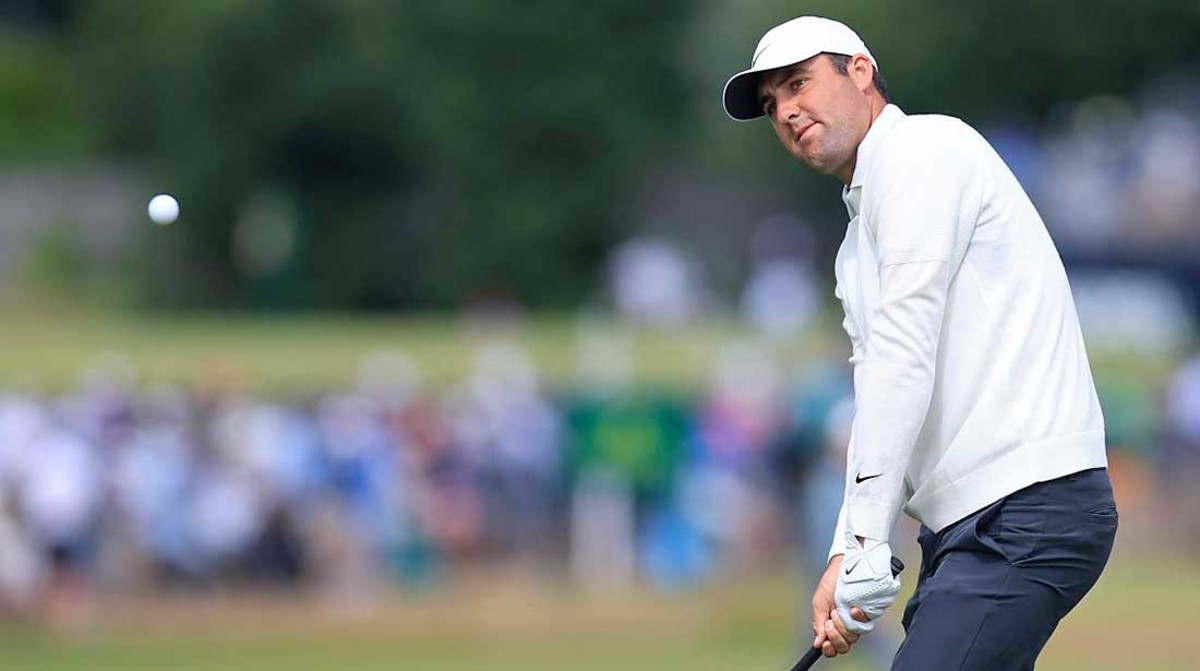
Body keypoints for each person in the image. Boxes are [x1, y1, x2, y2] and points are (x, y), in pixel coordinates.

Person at [721, 16, 1117, 670]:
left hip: (1027, 506)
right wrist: (847, 553)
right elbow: (877, 400)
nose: (786, 111)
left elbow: (902, 358)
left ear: (860, 72)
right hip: (970, 525)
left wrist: (865, 544)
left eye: (798, 83)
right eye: (771, 105)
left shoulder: (922, 152)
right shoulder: (855, 247)